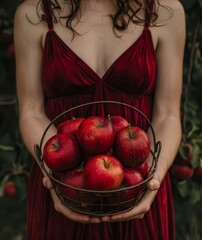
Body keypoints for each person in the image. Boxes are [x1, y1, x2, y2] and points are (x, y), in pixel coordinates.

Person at [14, 0, 185, 239]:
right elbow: (30, 111)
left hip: (137, 186)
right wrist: (57, 178)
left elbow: (167, 114)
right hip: (62, 187)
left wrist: (152, 179)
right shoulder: (34, 14)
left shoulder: (165, 11)